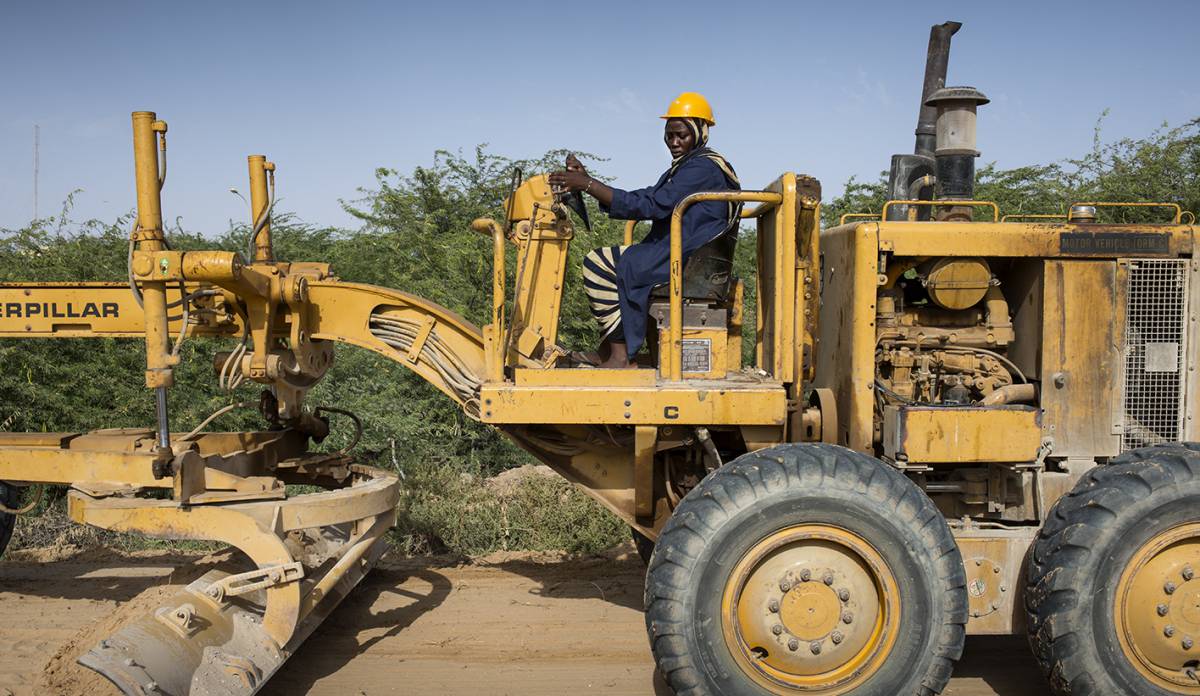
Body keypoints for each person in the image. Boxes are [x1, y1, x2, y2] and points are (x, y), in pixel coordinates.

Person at [548, 92, 739, 369]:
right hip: (678, 250)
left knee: (599, 264)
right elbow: (650, 196)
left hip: (686, 257)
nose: (674, 142)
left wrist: (587, 185)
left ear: (700, 131)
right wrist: (589, 183)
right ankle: (610, 350)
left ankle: (620, 356)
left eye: (681, 135)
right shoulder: (689, 166)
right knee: (612, 261)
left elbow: (652, 204)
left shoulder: (702, 167)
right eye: (669, 135)